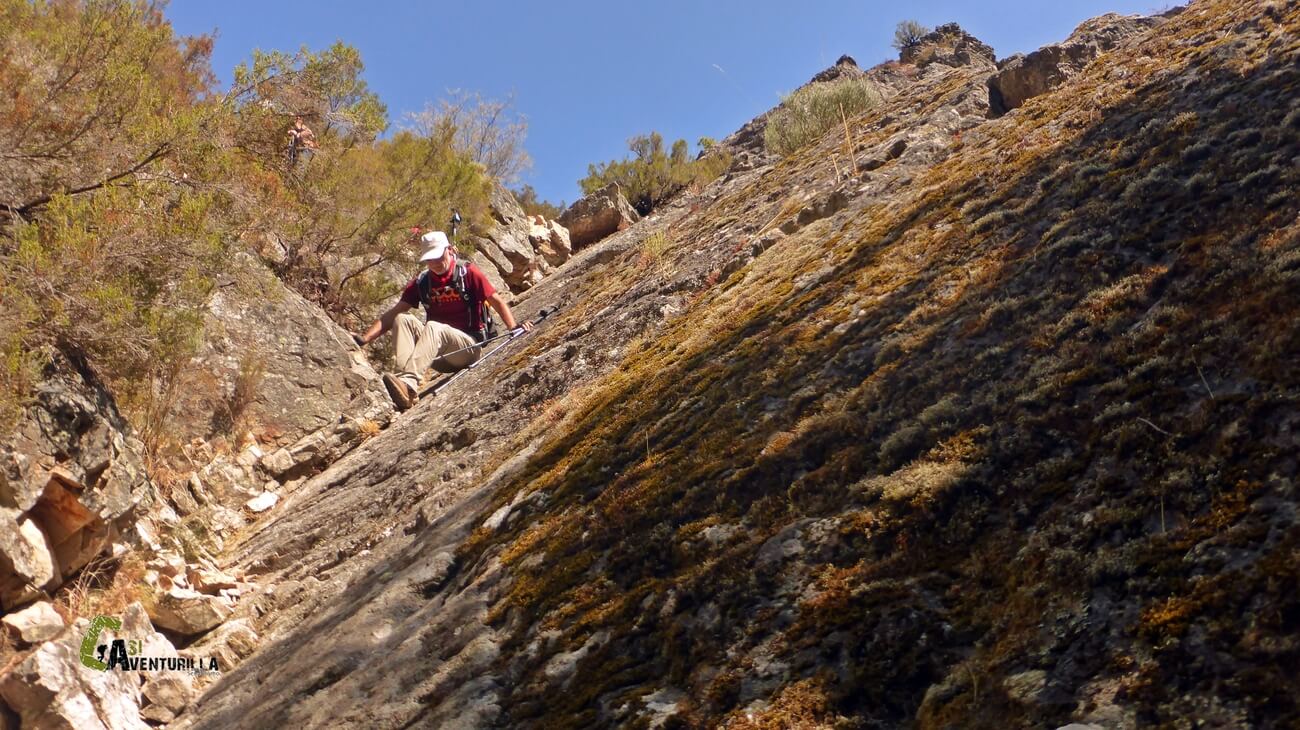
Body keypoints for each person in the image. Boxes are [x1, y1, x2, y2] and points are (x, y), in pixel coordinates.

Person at [353, 231, 531, 411]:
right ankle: (405, 386)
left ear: (450, 250)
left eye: (438, 256)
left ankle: (409, 383)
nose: (435, 263)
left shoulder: (467, 272)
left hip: (468, 348)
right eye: (430, 259)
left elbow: (495, 300)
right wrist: (364, 339)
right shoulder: (422, 281)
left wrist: (514, 327)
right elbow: (394, 312)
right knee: (402, 319)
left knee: (433, 326)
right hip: (438, 355)